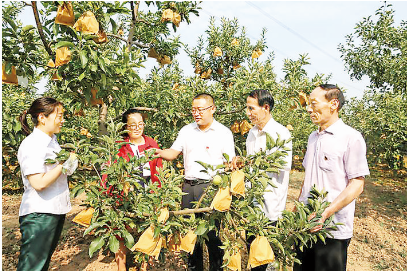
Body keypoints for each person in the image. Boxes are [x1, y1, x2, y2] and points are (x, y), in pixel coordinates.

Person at [294, 84, 370, 271]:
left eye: (313, 103)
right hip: (306, 225)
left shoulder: (351, 138)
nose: (309, 108)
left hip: (333, 229)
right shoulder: (313, 137)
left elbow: (357, 184)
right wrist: (298, 206)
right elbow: (308, 176)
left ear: (333, 104)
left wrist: (325, 213)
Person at [156, 93, 235, 271]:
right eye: (193, 110)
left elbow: (229, 162)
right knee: (189, 234)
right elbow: (173, 153)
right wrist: (158, 152)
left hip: (210, 188)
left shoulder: (223, 133)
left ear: (212, 109)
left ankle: (216, 268)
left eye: (200, 109)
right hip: (188, 188)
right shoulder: (186, 130)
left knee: (212, 235)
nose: (196, 113)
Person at [17, 97, 78, 271]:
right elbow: (38, 182)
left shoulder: (52, 141)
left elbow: (59, 172)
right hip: (39, 214)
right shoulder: (32, 145)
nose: (62, 120)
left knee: (41, 263)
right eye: (59, 116)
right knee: (32, 266)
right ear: (42, 117)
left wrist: (69, 163)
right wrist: (62, 165)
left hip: (54, 210)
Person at [101, 108, 163, 271]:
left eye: (140, 124)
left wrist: (160, 195)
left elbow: (159, 170)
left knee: (148, 229)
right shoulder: (119, 145)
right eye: (133, 124)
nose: (137, 127)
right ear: (125, 127)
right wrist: (106, 194)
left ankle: (144, 266)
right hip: (124, 194)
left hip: (147, 193)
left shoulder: (151, 143)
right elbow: (109, 171)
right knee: (120, 230)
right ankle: (122, 268)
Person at [244, 89, 292, 271]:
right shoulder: (252, 133)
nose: (248, 113)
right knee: (254, 256)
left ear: (265, 107)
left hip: (270, 207)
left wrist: (256, 162)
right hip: (251, 206)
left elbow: (283, 165)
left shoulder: (281, 133)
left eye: (251, 108)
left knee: (268, 261)